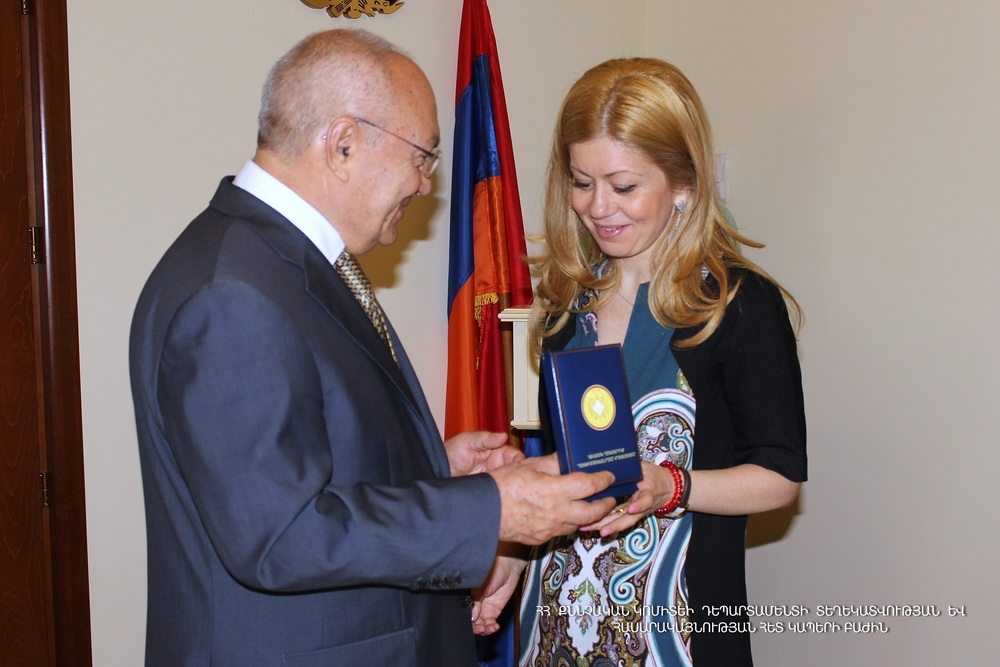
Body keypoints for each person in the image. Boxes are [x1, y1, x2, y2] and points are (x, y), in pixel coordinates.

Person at [128, 29, 618, 666]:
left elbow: (303, 466)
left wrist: (432, 468)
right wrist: (489, 512)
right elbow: (279, 536)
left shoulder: (282, 262)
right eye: (422, 156)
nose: (425, 185)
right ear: (343, 144)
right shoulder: (233, 293)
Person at [473, 58, 807, 665]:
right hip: (554, 627)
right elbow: (565, 472)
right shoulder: (565, 305)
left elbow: (780, 478)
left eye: (623, 186)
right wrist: (512, 558)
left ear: (683, 183)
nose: (598, 208)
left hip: (682, 631)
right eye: (582, 182)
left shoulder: (735, 304)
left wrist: (671, 486)